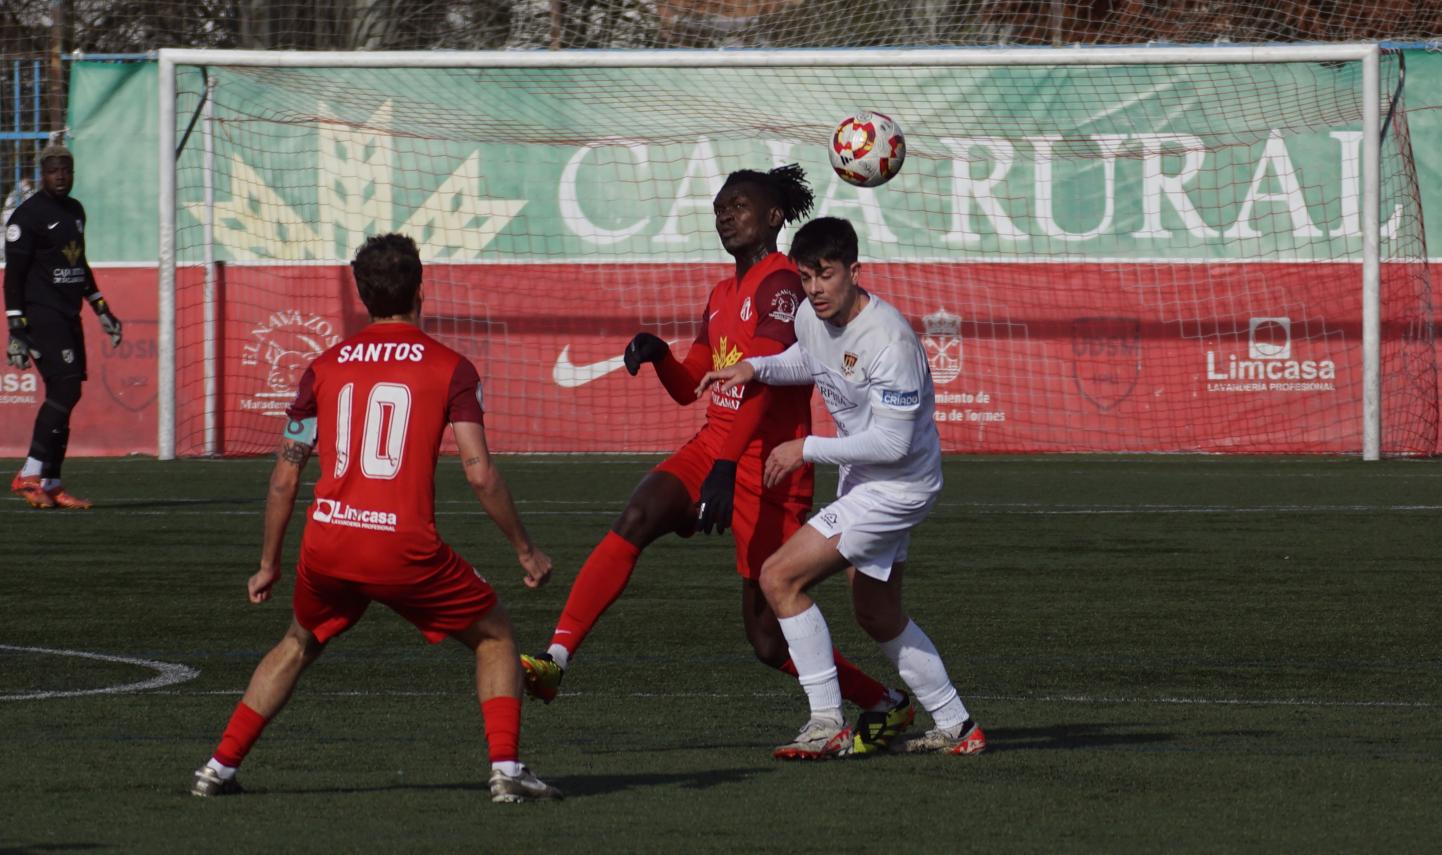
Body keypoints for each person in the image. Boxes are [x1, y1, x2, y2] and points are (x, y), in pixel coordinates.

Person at [521, 166, 911, 743]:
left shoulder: (783, 285)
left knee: (767, 638)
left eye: (739, 205)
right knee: (637, 515)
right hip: (715, 444)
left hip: (767, 464)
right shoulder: (721, 294)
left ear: (775, 216)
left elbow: (762, 384)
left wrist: (729, 469)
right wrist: (659, 356)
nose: (724, 214)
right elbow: (693, 386)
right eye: (720, 206)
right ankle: (556, 658)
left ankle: (886, 700)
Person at [190, 233, 561, 803]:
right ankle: (507, 772)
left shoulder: (323, 367)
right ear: (420, 287)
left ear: (363, 295)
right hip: (402, 549)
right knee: (495, 636)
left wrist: (268, 563)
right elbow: (480, 472)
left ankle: (218, 767)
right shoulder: (452, 367)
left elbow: (286, 474)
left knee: (298, 641)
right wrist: (525, 550)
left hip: (329, 542)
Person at [698, 216, 986, 759]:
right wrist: (754, 369)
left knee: (778, 577)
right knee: (875, 612)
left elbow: (892, 446)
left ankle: (826, 720)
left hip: (898, 485)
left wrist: (805, 449)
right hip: (865, 480)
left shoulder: (889, 340)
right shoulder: (810, 315)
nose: (813, 290)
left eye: (825, 276)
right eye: (805, 277)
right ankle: (957, 724)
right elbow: (808, 359)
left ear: (854, 270)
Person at [4, 141, 121, 509]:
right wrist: (16, 330)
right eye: (53, 170)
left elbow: (79, 265)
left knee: (68, 393)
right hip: (41, 315)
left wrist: (101, 308)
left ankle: (51, 482)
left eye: (65, 170)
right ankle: (29, 473)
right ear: (43, 174)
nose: (60, 175)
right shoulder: (27, 217)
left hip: (69, 314)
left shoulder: (74, 211)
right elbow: (13, 278)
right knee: (66, 389)